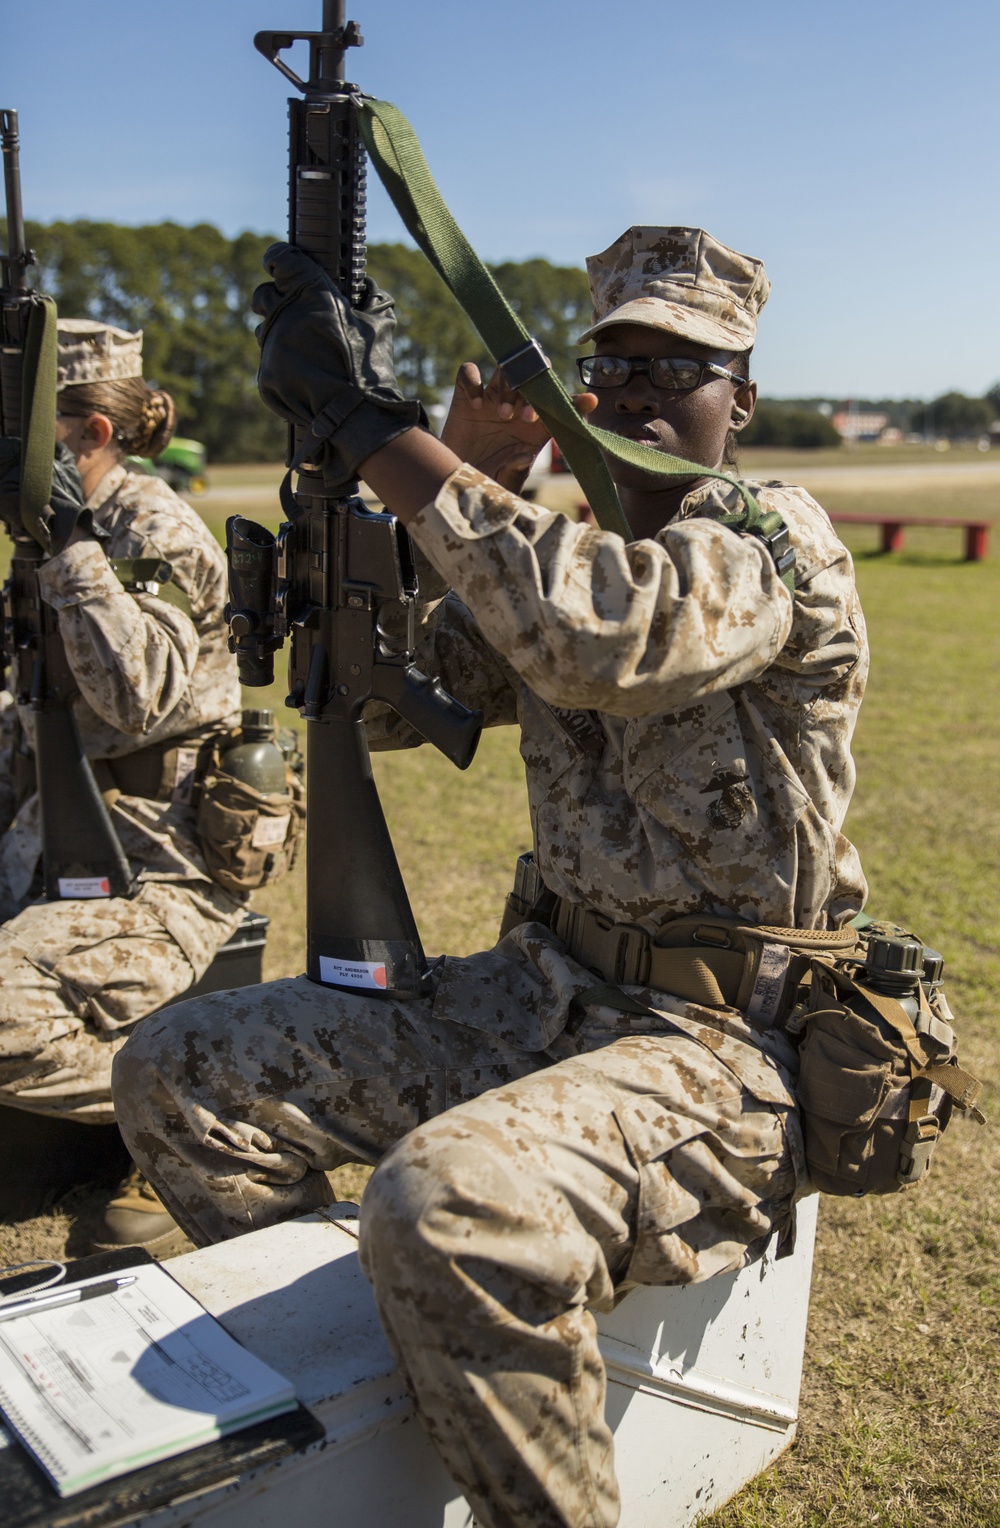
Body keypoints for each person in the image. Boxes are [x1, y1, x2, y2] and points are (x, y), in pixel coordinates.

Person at [113, 227, 868, 1526]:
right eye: (614, 360)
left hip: (727, 1048)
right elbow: (407, 697)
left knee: (447, 1202)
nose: (637, 389)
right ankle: (364, 1423)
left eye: (679, 364)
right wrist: (383, 526)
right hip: (543, 1000)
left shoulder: (764, 538)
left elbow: (599, 637)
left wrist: (388, 433)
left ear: (738, 396)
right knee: (181, 1072)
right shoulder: (551, 543)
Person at [0, 318, 245, 1256]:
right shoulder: (34, 535)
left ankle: (186, 1106)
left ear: (89, 436)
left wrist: (71, 544)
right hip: (45, 840)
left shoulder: (151, 529)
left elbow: (136, 698)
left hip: (156, 868)